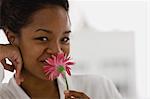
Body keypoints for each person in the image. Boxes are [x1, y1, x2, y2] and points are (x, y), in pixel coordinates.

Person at [0, 0, 123, 99]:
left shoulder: (99, 89)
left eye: (64, 39)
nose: (57, 51)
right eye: (43, 38)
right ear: (12, 38)